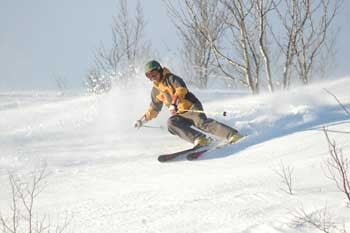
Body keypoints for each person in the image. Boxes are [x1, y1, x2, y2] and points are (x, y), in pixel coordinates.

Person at [134, 60, 242, 147]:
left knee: (201, 123)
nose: (152, 77)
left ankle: (232, 135)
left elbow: (181, 90)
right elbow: (154, 109)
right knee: (171, 123)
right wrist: (142, 121)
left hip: (191, 107)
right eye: (149, 76)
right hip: (179, 113)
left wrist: (174, 104)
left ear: (159, 70)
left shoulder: (171, 78)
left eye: (154, 73)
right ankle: (199, 139)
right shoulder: (155, 91)